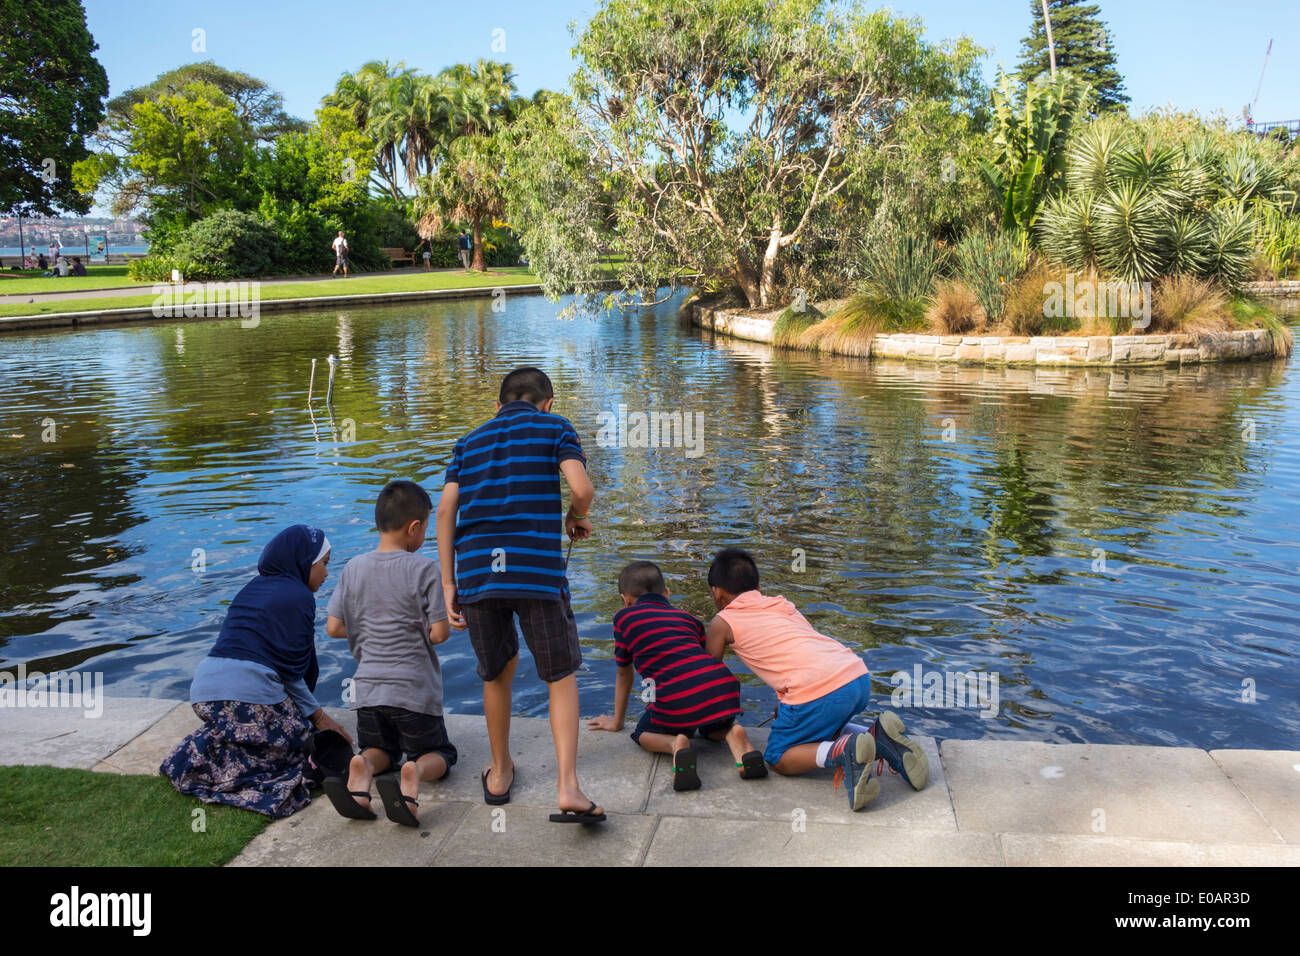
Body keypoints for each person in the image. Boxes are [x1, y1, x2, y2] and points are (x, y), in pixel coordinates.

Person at [436, 366, 605, 824]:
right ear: (547, 403)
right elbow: (583, 487)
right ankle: (568, 786)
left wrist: (449, 584)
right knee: (559, 674)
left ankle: (499, 774)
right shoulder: (555, 427)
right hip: (537, 574)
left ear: (497, 407)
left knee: (495, 673)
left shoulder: (469, 441)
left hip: (477, 574)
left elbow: (447, 509)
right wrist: (576, 514)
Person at [704, 547, 929, 811]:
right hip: (855, 676)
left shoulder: (723, 622)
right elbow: (802, 650)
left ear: (717, 593)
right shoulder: (781, 604)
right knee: (820, 729)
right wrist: (788, 702)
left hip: (818, 692)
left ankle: (844, 752)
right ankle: (877, 738)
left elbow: (707, 674)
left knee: (778, 757)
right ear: (758, 585)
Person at [160, 525, 350, 818]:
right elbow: (290, 672)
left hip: (203, 692)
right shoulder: (298, 596)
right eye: (323, 564)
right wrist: (321, 717)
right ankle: (227, 766)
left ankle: (204, 752)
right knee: (298, 745)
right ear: (303, 561)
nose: (327, 574)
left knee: (259, 731)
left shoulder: (252, 588)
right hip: (247, 697)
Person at [323, 480, 456, 828]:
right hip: (412, 693)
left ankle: (363, 765)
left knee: (382, 750)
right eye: (425, 527)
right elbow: (439, 634)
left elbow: (334, 627)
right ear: (414, 527)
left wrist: (371, 625)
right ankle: (415, 772)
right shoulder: (425, 569)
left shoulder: (353, 568)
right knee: (440, 753)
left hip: (367, 693)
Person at [588, 561, 766, 790]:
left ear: (625, 600)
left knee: (643, 732)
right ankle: (733, 732)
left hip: (676, 701)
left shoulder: (624, 619)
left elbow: (624, 673)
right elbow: (697, 662)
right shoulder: (689, 619)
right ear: (667, 593)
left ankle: (675, 743)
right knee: (710, 727)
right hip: (722, 688)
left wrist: (616, 722)